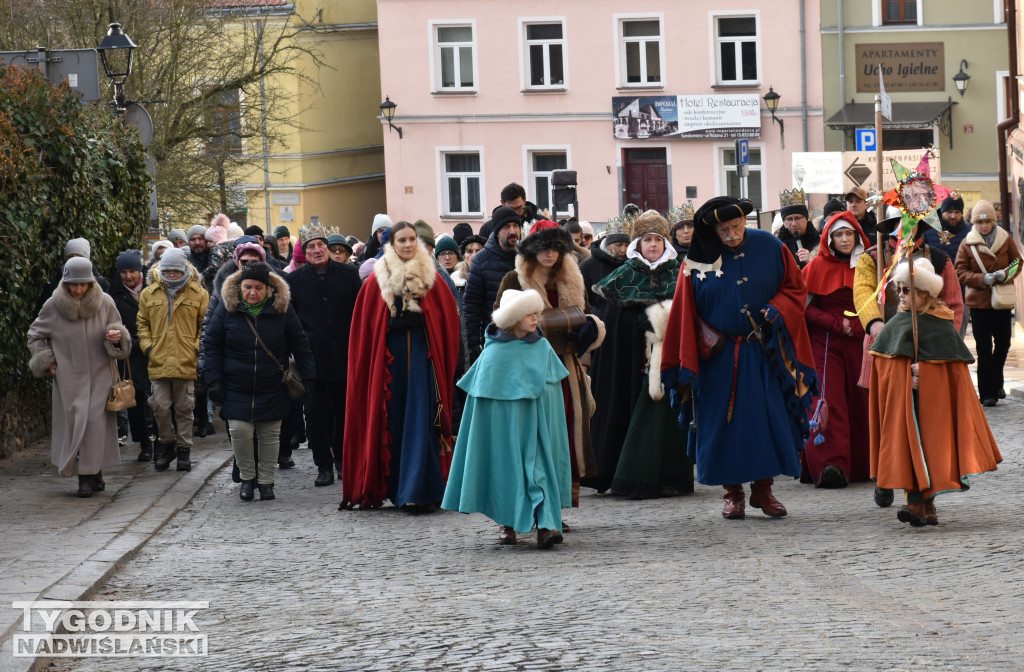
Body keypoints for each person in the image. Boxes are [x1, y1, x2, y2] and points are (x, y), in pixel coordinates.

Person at [660, 196, 818, 519]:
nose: (731, 234)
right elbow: (683, 310)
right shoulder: (698, 259)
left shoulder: (770, 245)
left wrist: (779, 308)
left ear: (746, 221)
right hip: (717, 357)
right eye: (724, 229)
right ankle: (732, 494)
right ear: (713, 230)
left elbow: (796, 288)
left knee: (766, 420)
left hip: (762, 351)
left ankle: (763, 490)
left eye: (736, 226)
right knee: (723, 426)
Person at [869, 257, 1002, 526]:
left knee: (931, 448)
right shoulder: (896, 324)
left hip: (934, 404)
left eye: (908, 290)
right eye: (900, 290)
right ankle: (916, 501)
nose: (902, 296)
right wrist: (905, 376)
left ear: (924, 292)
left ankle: (927, 503)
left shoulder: (942, 323)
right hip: (904, 401)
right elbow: (881, 370)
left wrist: (927, 373)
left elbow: (956, 374)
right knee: (909, 446)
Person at [341, 220, 460, 510]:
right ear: (391, 245)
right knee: (391, 423)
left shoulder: (433, 279)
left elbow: (449, 323)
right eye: (401, 241)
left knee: (421, 420)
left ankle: (419, 490)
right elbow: (365, 330)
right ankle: (394, 486)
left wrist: (425, 322)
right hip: (388, 366)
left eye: (411, 240)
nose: (407, 245)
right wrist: (392, 324)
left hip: (423, 361)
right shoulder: (376, 282)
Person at [442, 289, 570, 548]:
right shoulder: (493, 354)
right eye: (528, 314)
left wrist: (548, 423)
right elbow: (481, 406)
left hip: (537, 426)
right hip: (504, 428)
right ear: (512, 318)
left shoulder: (543, 347)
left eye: (536, 313)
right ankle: (507, 522)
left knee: (540, 470)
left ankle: (546, 525)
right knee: (505, 468)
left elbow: (553, 392)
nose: (535, 319)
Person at [494, 220, 605, 510]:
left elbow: (588, 316)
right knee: (529, 438)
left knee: (563, 436)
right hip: (527, 370)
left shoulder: (572, 281)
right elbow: (500, 322)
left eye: (555, 248)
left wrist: (589, 332)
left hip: (566, 369)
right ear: (531, 251)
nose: (549, 254)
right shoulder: (513, 280)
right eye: (542, 248)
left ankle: (555, 507)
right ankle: (522, 506)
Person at [589, 210, 691, 498]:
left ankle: (669, 476)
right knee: (626, 406)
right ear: (638, 244)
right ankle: (625, 472)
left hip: (669, 358)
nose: (653, 245)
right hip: (629, 361)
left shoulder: (680, 272)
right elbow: (615, 327)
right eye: (647, 239)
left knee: (668, 415)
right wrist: (643, 327)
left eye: (658, 239)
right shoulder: (622, 277)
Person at [203, 262, 316, 501]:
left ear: (268, 289)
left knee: (269, 434)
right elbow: (212, 345)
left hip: (272, 383)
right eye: (247, 287)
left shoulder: (282, 310)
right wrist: (213, 380)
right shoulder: (227, 309)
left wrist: (309, 375)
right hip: (236, 383)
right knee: (240, 431)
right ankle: (247, 478)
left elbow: (300, 343)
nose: (252, 292)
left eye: (258, 288)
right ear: (239, 287)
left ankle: (266, 481)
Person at [28, 257, 131, 497]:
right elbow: (35, 335)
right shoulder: (53, 306)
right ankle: (94, 472)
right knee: (76, 422)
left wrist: (116, 337)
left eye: (83, 284)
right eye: (73, 284)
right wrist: (46, 361)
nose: (78, 289)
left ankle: (85, 477)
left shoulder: (105, 302)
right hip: (68, 376)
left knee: (94, 423)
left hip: (99, 373)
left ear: (91, 283)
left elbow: (117, 329)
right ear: (65, 284)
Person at [799, 211, 871, 488]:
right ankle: (832, 464)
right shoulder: (815, 267)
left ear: (857, 236)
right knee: (828, 401)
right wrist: (835, 323)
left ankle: (862, 464)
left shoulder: (868, 264)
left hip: (859, 342)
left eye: (848, 234)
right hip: (825, 342)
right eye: (838, 234)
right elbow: (804, 309)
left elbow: (879, 303)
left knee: (860, 399)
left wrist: (860, 326)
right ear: (829, 238)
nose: (844, 239)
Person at [287, 221, 362, 486]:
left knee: (344, 413)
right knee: (315, 414)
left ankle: (342, 459)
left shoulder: (349, 274)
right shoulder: (294, 281)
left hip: (344, 356)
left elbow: (358, 314)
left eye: (321, 245)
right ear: (304, 252)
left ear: (328, 248)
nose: (317, 250)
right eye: (311, 247)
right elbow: (291, 322)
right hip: (312, 359)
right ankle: (323, 465)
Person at [137, 248, 209, 473]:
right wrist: (148, 346)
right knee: (159, 407)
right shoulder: (149, 293)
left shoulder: (198, 293)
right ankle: (166, 444)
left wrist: (196, 348)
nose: (171, 276)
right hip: (158, 360)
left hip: (186, 360)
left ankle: (184, 450)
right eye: (167, 272)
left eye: (176, 273)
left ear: (184, 271)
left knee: (185, 408)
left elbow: (203, 325)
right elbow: (142, 323)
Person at [954, 199, 1023, 406]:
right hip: (979, 302)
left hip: (1001, 300)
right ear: (974, 222)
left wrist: (1005, 275)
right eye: (980, 222)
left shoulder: (1005, 238)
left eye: (988, 221)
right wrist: (982, 279)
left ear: (994, 221)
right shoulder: (967, 242)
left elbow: (1017, 262)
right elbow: (960, 271)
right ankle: (987, 393)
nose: (984, 225)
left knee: (1003, 343)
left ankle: (997, 381)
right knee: (983, 347)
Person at [106, 250, 154, 462]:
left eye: (132, 271)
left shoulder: (152, 289)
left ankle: (161, 440)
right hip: (130, 355)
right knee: (133, 400)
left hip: (154, 351)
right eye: (124, 272)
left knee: (158, 399)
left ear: (139, 270)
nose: (128, 276)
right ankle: (144, 444)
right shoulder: (114, 295)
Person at [464, 206, 522, 361]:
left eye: (516, 226)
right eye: (506, 227)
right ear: (496, 231)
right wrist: (474, 344)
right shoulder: (481, 261)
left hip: (525, 339)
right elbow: (471, 306)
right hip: (495, 339)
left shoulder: (526, 258)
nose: (512, 231)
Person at [579, 219, 629, 320]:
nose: (623, 249)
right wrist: (598, 315)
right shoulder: (587, 266)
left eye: (627, 245)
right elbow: (580, 299)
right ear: (608, 244)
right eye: (618, 245)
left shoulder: (631, 264)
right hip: (599, 325)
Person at [776, 189, 819, 269]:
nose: (794, 223)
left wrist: (812, 260)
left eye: (798, 218)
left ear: (806, 218)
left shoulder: (820, 243)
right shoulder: (777, 245)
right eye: (789, 219)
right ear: (784, 222)